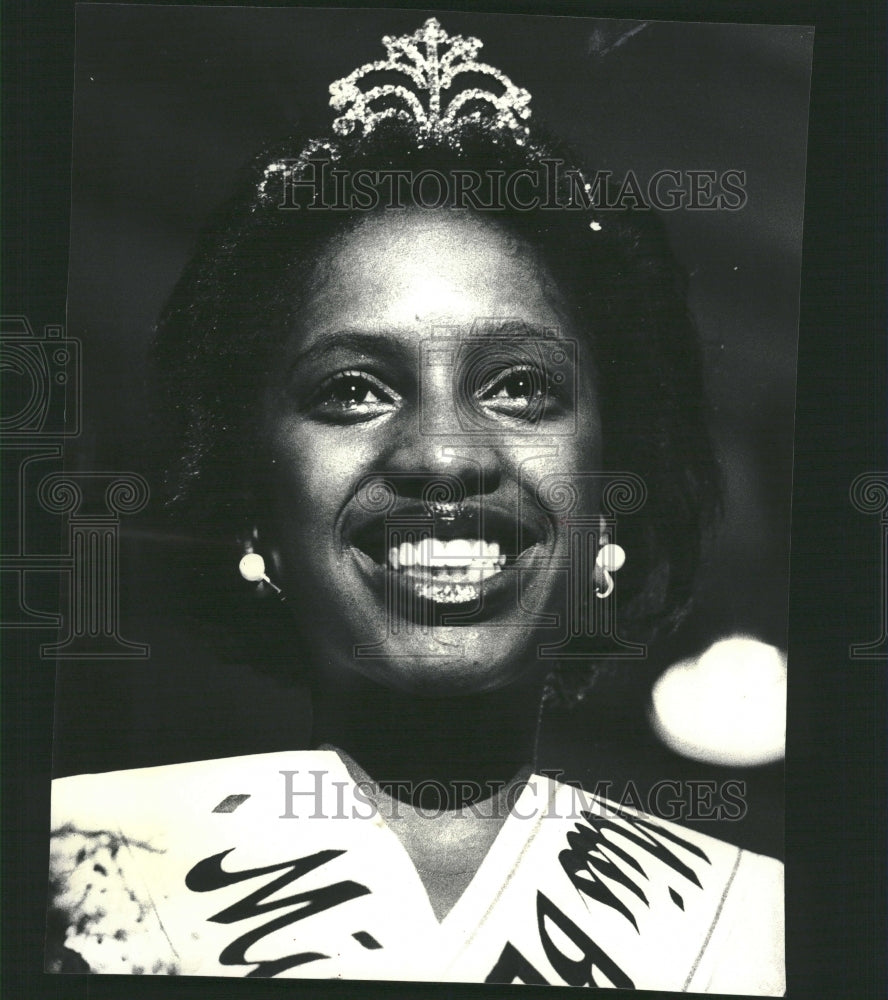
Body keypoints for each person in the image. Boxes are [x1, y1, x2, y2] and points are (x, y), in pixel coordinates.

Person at [47, 17, 784, 992]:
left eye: (521, 385)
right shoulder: (63, 873)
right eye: (352, 389)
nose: (442, 454)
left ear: (608, 500)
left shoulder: (759, 928)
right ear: (258, 512)